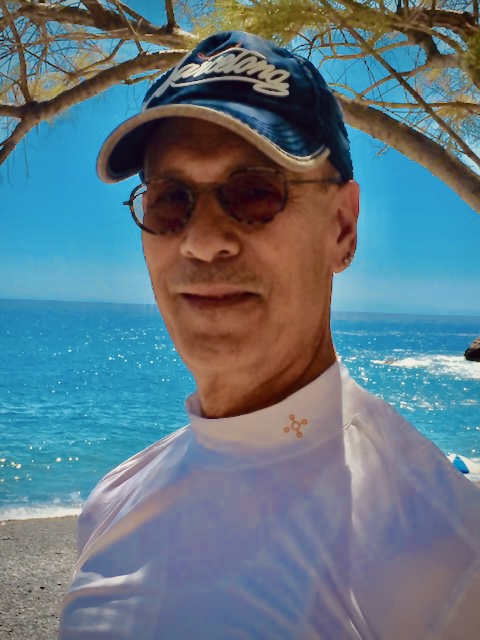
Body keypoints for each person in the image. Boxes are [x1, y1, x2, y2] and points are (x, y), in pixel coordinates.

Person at [59, 31, 480, 639]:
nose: (203, 240)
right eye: (170, 199)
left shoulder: (446, 558)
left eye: (255, 191)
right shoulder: (111, 501)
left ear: (342, 227)